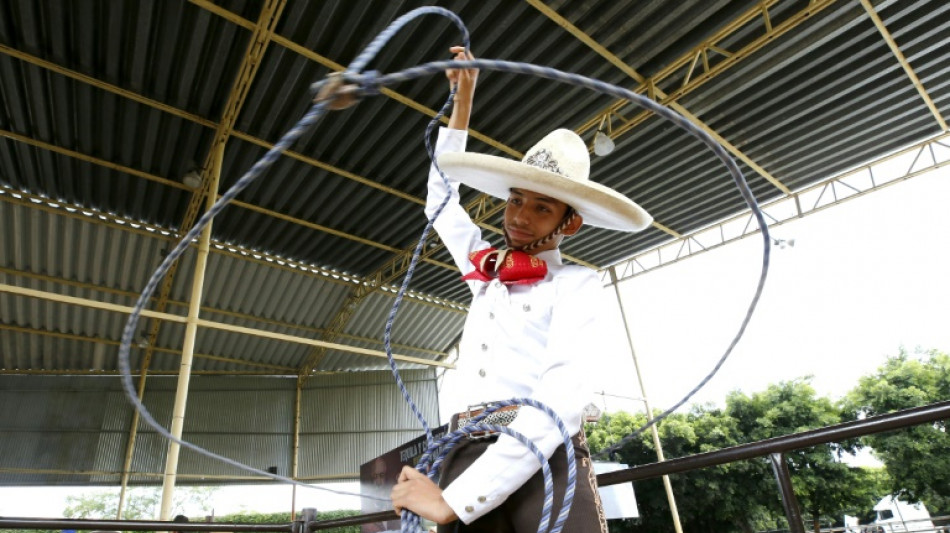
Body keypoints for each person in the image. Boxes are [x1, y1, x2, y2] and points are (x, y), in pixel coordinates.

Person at [390, 46, 652, 532]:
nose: (518, 217)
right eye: (515, 200)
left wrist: (456, 501)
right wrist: (462, 106)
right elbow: (440, 204)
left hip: (541, 456)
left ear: (570, 223)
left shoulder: (577, 285)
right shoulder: (486, 275)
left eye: (542, 208)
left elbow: (560, 397)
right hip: (462, 449)